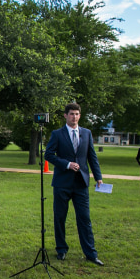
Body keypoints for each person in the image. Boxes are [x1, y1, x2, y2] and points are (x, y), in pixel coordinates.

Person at [44, 103, 104, 265]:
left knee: (84, 218)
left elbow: (92, 156)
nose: (74, 117)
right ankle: (61, 249)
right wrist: (67, 164)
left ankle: (91, 254)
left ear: (80, 115)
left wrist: (98, 176)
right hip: (62, 183)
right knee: (60, 218)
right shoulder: (57, 134)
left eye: (77, 114)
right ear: (65, 115)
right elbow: (48, 154)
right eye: (71, 114)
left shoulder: (87, 133)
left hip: (81, 183)